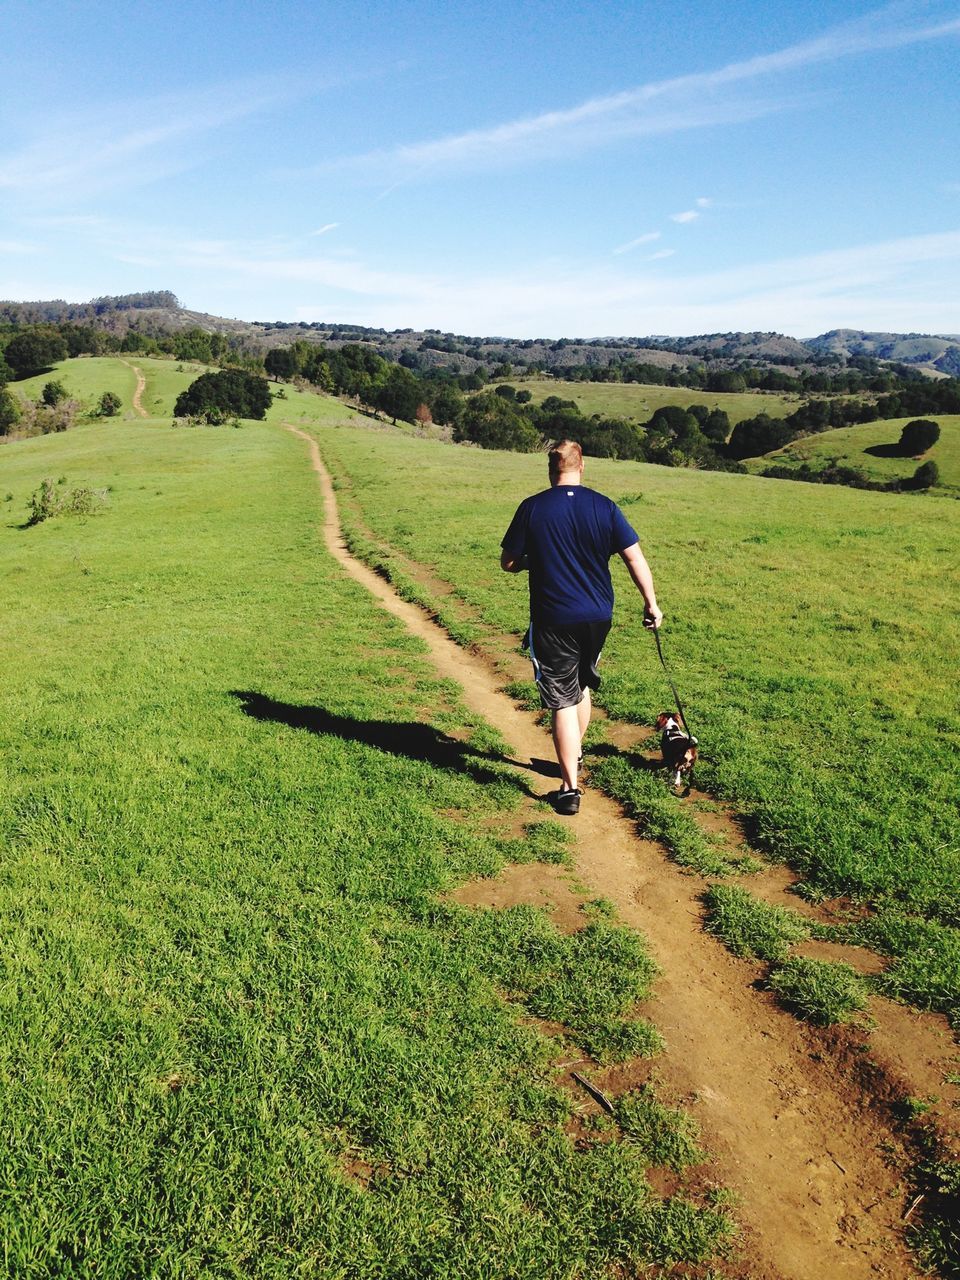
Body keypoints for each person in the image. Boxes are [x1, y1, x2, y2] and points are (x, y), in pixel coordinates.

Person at [500, 439, 662, 815]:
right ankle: (575, 755)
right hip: (597, 616)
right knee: (582, 684)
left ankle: (570, 789)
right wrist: (651, 603)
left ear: (549, 469)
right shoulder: (604, 506)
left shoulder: (533, 507)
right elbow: (634, 558)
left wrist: (530, 562)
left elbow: (508, 562)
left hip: (553, 617)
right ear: (582, 466)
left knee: (560, 699)